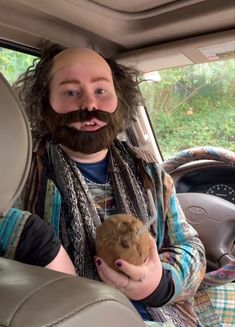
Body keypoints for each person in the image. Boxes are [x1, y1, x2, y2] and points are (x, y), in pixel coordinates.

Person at [1, 44, 207, 326]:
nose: (89, 105)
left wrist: (160, 282)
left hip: (159, 313)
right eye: (71, 92)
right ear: (44, 101)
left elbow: (189, 246)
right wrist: (32, 240)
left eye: (101, 91)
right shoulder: (18, 169)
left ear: (118, 98)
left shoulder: (149, 173)